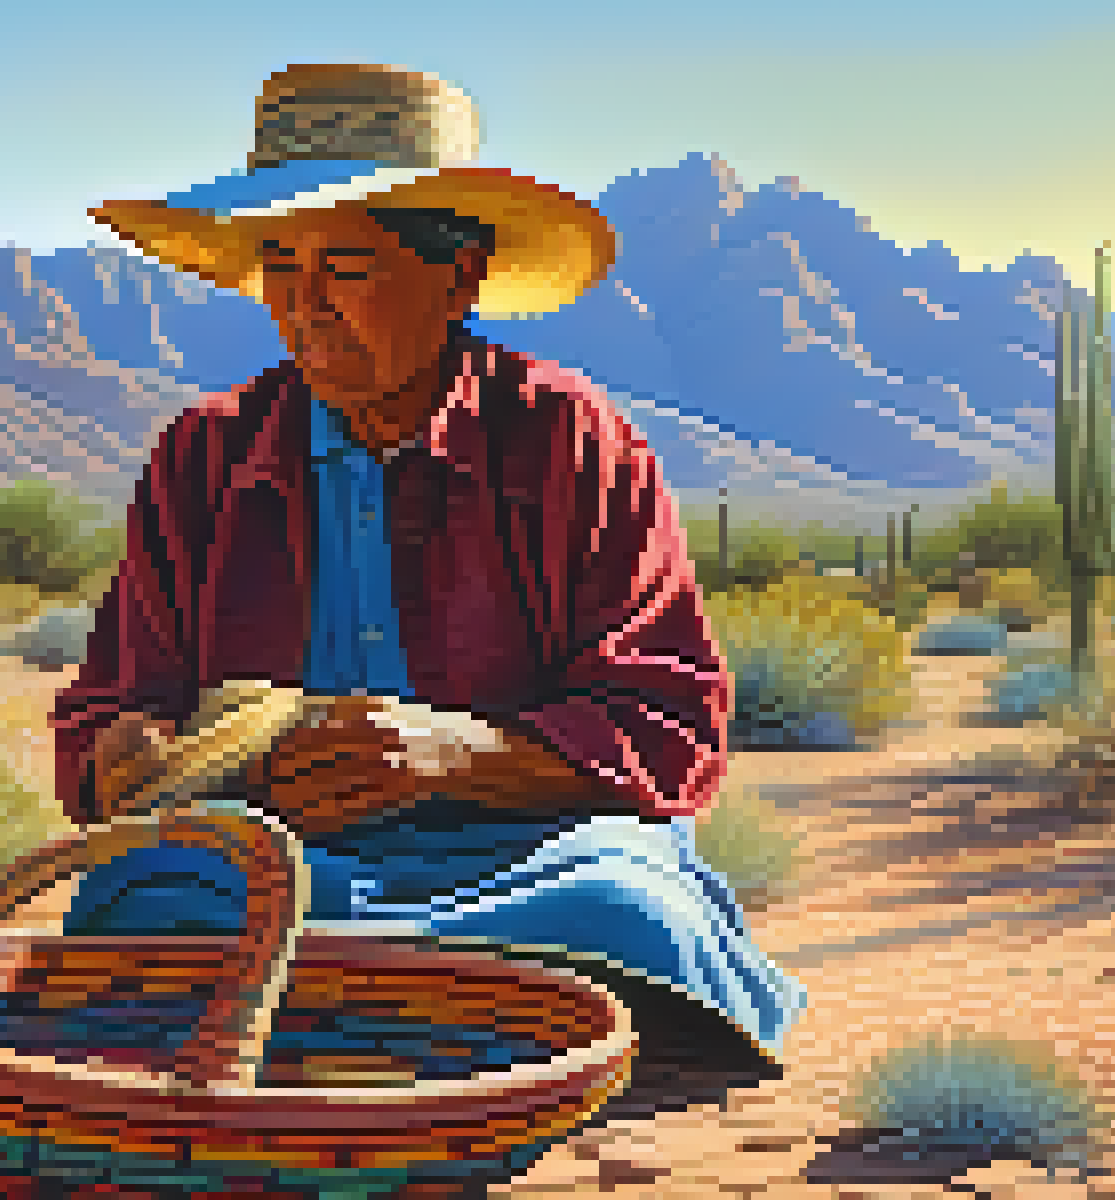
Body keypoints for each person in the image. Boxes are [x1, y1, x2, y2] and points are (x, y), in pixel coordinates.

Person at [50, 62, 803, 1090]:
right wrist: (125, 758)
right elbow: (109, 707)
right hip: (269, 869)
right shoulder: (205, 457)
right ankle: (466, 1031)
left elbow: (671, 723)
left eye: (347, 268)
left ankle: (325, 1031)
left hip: (529, 860)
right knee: (134, 900)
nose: (302, 307)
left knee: (627, 911)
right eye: (279, 262)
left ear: (459, 279)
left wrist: (458, 753)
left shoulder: (570, 440)